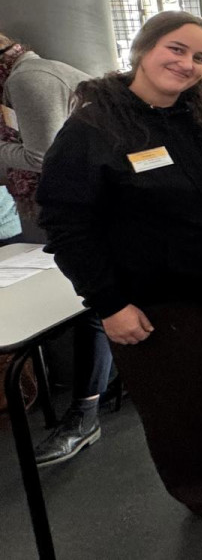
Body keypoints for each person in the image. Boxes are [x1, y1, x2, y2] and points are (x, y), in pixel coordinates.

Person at [36, 11, 202, 524]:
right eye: (176, 49)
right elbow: (67, 223)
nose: (186, 64)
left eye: (200, 57)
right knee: (180, 402)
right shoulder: (93, 127)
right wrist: (109, 304)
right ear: (144, 47)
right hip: (154, 297)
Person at [0, 30, 113, 468]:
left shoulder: (30, 80)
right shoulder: (40, 72)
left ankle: (84, 413)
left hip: (90, 211)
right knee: (95, 308)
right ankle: (85, 411)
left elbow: (43, 156)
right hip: (87, 209)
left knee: (95, 308)